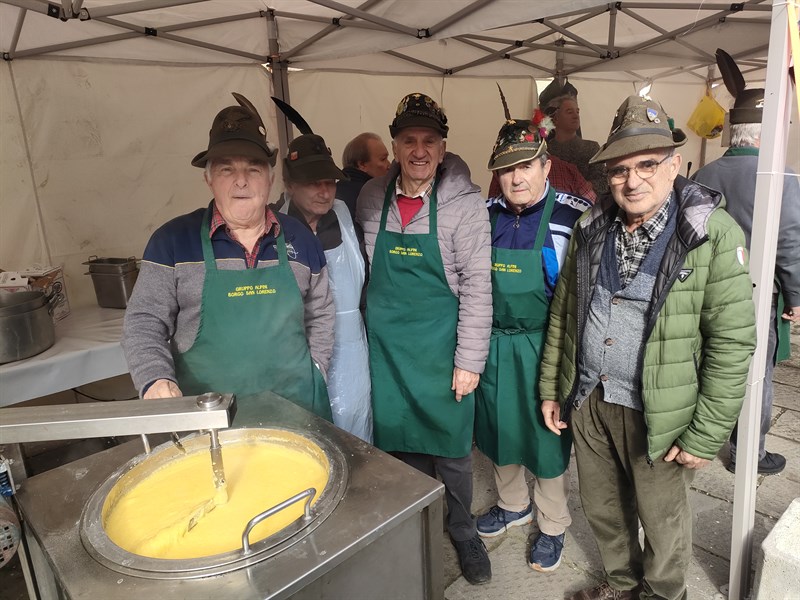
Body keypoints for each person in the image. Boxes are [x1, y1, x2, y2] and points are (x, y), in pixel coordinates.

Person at [540, 95, 756, 600]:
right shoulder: (591, 227)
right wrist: (555, 386)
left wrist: (705, 434)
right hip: (592, 400)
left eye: (647, 165)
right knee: (604, 509)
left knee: (662, 520)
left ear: (675, 164)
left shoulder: (711, 234)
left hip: (659, 410)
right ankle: (621, 585)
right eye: (619, 171)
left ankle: (662, 595)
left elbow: (732, 342)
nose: (632, 181)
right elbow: (564, 315)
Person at [122, 93, 335, 424]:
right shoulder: (172, 242)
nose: (241, 181)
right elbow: (144, 320)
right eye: (226, 169)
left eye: (253, 168)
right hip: (209, 421)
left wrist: (317, 368)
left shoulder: (301, 239)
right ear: (208, 179)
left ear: (270, 177)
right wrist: (154, 377)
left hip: (298, 411)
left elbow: (321, 312)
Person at [356, 92, 493, 585]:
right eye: (409, 140)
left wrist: (470, 361)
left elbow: (479, 286)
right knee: (400, 449)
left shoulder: (464, 203)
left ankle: (462, 530)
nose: (419, 150)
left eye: (428, 141)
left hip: (442, 350)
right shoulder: (371, 198)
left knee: (453, 452)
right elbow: (365, 272)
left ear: (441, 146)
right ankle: (411, 530)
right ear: (395, 145)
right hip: (390, 353)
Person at [474, 110, 591, 574]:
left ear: (546, 165)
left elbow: (582, 298)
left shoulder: (573, 218)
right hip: (495, 342)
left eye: (526, 166)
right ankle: (512, 503)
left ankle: (554, 523)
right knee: (500, 430)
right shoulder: (484, 218)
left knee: (546, 438)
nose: (516, 177)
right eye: (506, 168)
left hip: (547, 343)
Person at [692, 77, 800, 476]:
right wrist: (796, 297)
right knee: (759, 374)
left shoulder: (703, 173)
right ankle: (747, 452)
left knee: (711, 363)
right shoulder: (782, 176)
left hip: (707, 291)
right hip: (756, 295)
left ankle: (702, 434)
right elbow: (790, 242)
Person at [274, 115, 373, 443]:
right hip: (296, 352)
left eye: (329, 181)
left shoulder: (346, 216)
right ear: (289, 184)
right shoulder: (275, 225)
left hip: (351, 347)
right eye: (312, 182)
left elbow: (366, 282)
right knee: (307, 435)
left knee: (355, 431)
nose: (324, 190)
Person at [545, 94, 607, 196]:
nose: (575, 116)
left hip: (588, 207)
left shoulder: (591, 147)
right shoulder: (547, 151)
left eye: (577, 112)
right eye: (569, 112)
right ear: (555, 119)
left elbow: (603, 182)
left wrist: (580, 187)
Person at [337, 132, 391, 221]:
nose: (389, 165)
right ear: (362, 164)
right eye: (383, 159)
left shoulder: (335, 190)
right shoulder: (371, 195)